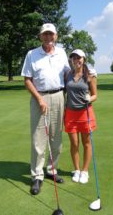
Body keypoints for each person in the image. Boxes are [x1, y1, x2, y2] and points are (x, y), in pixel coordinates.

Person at [21, 23, 71, 195]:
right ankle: (37, 176)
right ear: (40, 36)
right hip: (39, 97)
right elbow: (27, 80)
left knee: (56, 138)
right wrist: (39, 99)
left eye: (51, 35)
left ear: (56, 36)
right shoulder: (32, 54)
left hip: (59, 97)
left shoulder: (62, 53)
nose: (48, 38)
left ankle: (51, 170)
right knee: (38, 139)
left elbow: (68, 75)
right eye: (45, 35)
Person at [64, 49, 97, 184]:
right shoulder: (67, 75)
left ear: (84, 59)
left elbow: (95, 94)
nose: (77, 60)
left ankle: (85, 171)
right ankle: (77, 170)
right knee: (74, 143)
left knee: (86, 143)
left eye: (79, 58)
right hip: (70, 114)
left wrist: (90, 98)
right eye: (74, 58)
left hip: (85, 113)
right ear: (71, 60)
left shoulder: (90, 76)